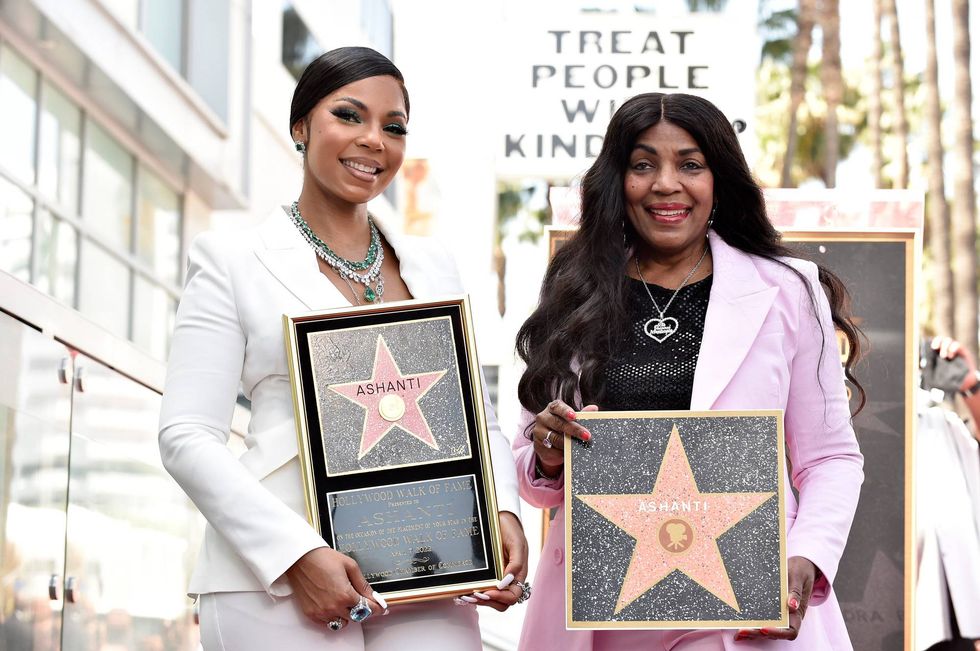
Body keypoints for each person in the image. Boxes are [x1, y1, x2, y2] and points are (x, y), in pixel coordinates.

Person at [158, 46, 528, 651]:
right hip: (273, 580)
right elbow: (185, 434)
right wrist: (295, 554)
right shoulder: (231, 261)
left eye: (394, 126)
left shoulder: (433, 264)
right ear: (301, 126)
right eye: (349, 116)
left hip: (426, 567)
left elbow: (472, 417)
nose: (374, 140)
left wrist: (501, 511)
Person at [512, 92, 865, 650]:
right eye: (643, 164)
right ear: (617, 180)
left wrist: (806, 556)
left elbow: (831, 458)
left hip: (744, 612)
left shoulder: (788, 290)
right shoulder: (576, 291)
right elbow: (533, 473)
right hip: (602, 617)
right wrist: (549, 453)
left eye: (691, 165)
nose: (666, 184)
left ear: (719, 179)